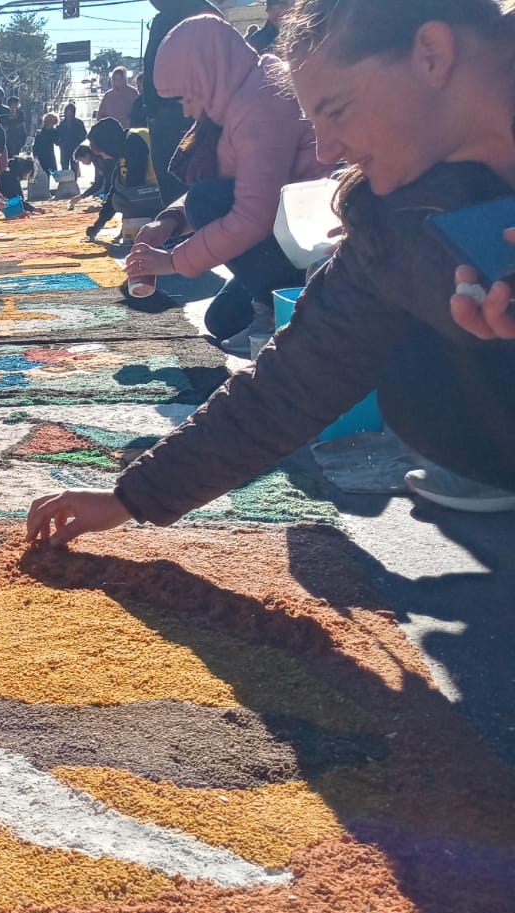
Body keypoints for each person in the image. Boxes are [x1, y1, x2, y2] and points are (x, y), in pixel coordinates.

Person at [27, 0, 515, 549]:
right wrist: (130, 497)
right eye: (315, 123)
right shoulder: (396, 215)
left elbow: (250, 215)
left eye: (336, 110)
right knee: (413, 371)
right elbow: (298, 375)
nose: (326, 149)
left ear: (432, 54)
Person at [122, 14, 325, 346]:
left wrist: (173, 261)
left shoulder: (262, 101)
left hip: (310, 247)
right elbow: (239, 187)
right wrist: (169, 223)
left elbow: (252, 214)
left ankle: (280, 318)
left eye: (187, 98)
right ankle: (271, 303)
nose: (186, 111)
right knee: (222, 320)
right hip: (285, 238)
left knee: (205, 199)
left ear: (206, 77)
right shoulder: (241, 94)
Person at [142, 0, 226, 203]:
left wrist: (154, 109)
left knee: (184, 182)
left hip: (182, 112)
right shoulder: (206, 13)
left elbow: (152, 68)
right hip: (180, 111)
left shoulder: (190, 17)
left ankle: (180, 219)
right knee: (188, 181)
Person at [84, 117, 163, 238]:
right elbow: (116, 188)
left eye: (102, 153)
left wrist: (126, 223)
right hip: (154, 189)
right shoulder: (126, 145)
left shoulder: (133, 144)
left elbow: (132, 186)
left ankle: (140, 230)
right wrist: (98, 225)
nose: (104, 157)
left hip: (162, 191)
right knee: (118, 197)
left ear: (108, 145)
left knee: (120, 200)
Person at [57, 101, 90, 193]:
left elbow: (84, 134)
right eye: (67, 111)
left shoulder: (78, 123)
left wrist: (78, 142)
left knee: (74, 166)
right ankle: (64, 186)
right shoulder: (62, 124)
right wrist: (59, 143)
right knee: (64, 166)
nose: (69, 113)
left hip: (75, 148)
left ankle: (74, 184)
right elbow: (56, 135)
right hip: (64, 148)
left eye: (71, 111)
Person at [32, 111, 62, 178]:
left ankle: (48, 182)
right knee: (47, 173)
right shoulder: (42, 133)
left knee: (51, 173)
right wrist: (35, 155)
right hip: (44, 155)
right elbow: (36, 146)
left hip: (47, 155)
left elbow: (57, 142)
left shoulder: (53, 132)